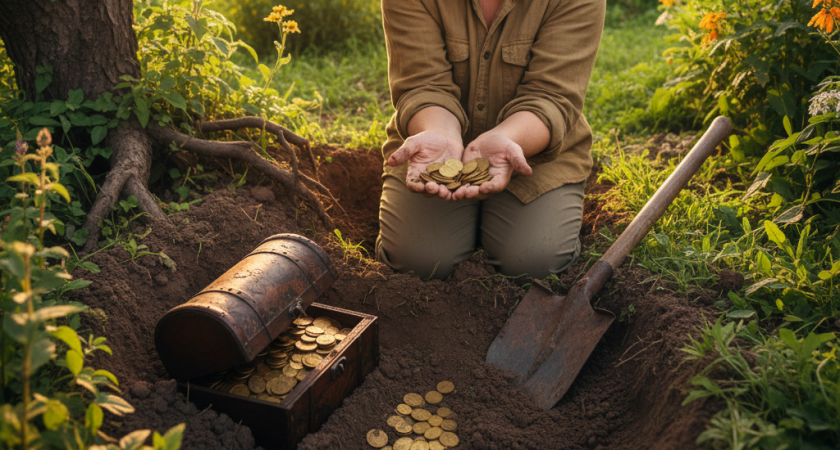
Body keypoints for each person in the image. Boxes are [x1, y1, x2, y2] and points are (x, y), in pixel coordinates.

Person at [375, 0, 605, 279]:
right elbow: (422, 85)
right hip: (435, 149)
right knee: (421, 261)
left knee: (532, 261)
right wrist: (442, 134)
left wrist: (506, 139)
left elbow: (551, 96)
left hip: (533, 149)